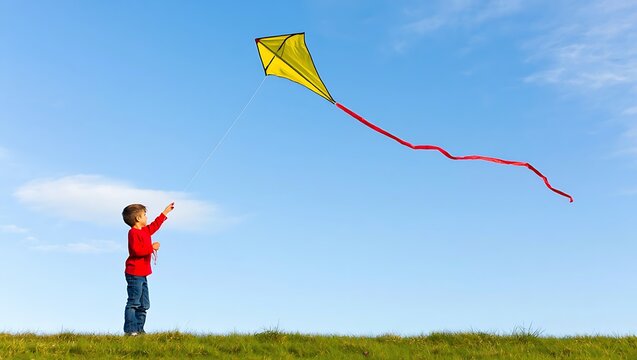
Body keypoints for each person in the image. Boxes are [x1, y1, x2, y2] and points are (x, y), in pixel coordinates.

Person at [121, 202, 175, 336]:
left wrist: (165, 212)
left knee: (144, 304)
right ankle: (130, 330)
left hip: (143, 274)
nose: (146, 217)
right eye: (144, 215)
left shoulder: (145, 231)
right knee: (134, 302)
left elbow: (155, 225)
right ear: (138, 219)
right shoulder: (133, 233)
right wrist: (152, 247)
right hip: (134, 274)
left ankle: (139, 330)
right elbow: (136, 251)